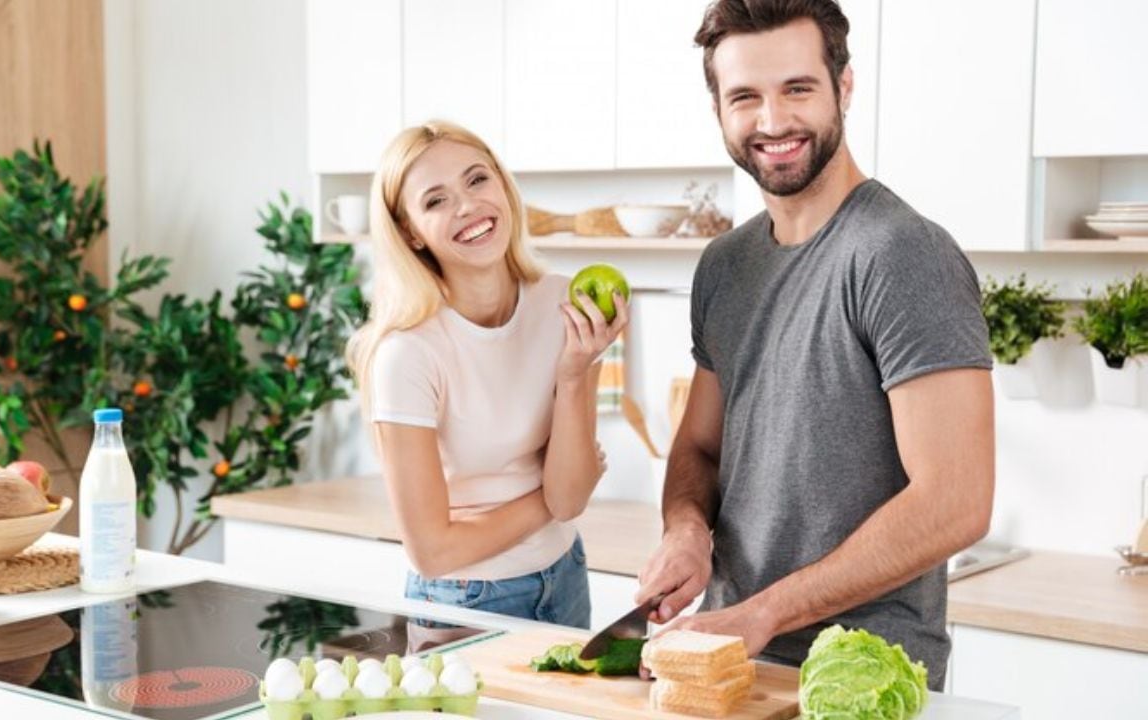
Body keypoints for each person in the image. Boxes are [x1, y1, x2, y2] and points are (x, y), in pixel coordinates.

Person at [635, 0, 994, 689]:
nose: (772, 123)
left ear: (844, 87)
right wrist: (685, 528)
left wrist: (764, 612)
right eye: (745, 97)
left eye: (797, 89)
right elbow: (701, 448)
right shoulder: (725, 265)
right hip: (733, 656)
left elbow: (957, 500)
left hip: (865, 671)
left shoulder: (901, 254)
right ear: (719, 111)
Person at [347, 120, 628, 630]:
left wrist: (574, 374)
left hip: (565, 576)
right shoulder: (407, 354)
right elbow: (433, 551)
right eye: (435, 201)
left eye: (477, 180)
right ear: (409, 231)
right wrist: (544, 502)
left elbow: (572, 498)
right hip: (463, 600)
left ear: (502, 184)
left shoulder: (566, 305)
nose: (468, 206)